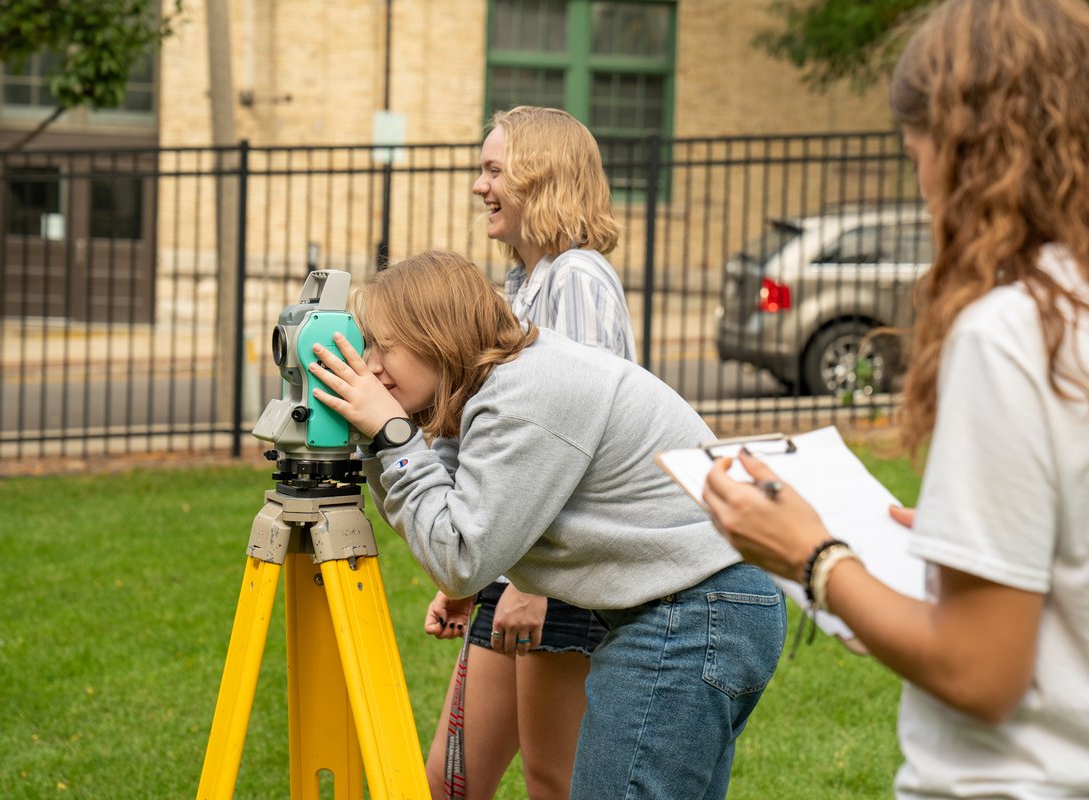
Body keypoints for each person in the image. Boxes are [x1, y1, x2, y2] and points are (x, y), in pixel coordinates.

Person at [701, 0, 1089, 797]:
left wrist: (814, 558)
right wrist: (963, 539)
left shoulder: (1010, 331)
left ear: (963, 150)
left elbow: (980, 671)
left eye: (916, 152)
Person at [306, 250, 785, 800]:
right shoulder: (498, 387)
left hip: (694, 613)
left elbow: (458, 559)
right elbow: (441, 521)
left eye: (382, 346)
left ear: (436, 336)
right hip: (707, 607)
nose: (370, 366)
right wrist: (382, 441)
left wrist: (392, 437)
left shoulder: (524, 397)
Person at [416, 104, 637, 800]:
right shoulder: (527, 284)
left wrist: (528, 588)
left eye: (493, 170)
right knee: (451, 781)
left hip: (557, 579)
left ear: (540, 177)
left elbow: (571, 446)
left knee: (553, 782)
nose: (479, 186)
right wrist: (469, 581)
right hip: (520, 574)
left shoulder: (577, 278)